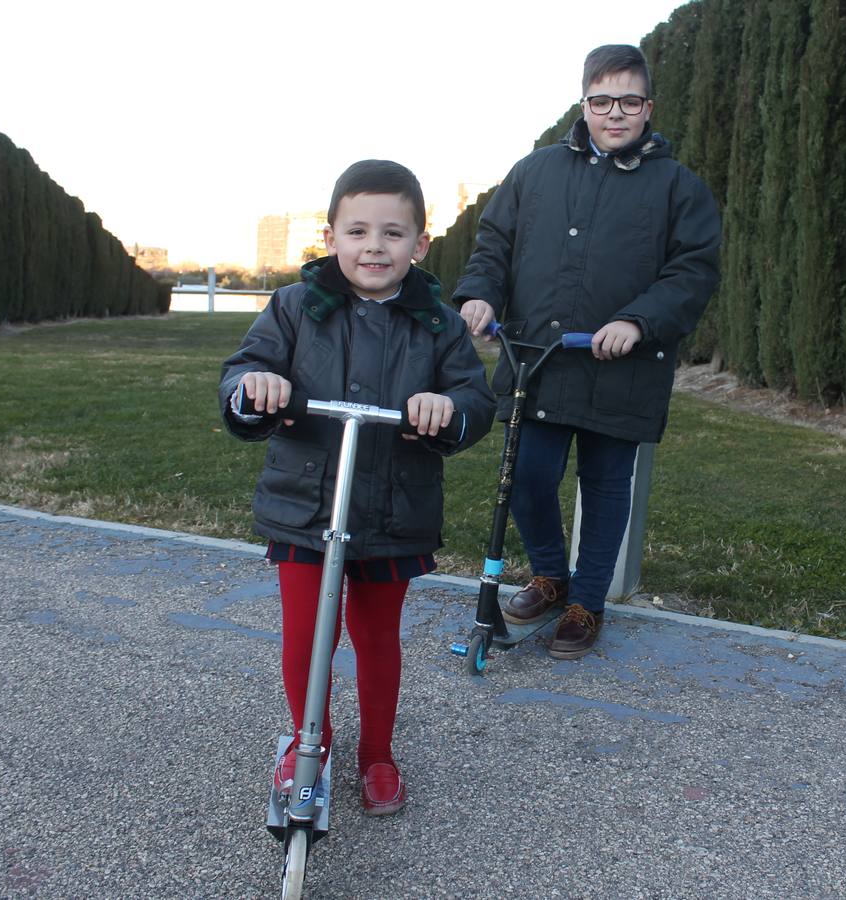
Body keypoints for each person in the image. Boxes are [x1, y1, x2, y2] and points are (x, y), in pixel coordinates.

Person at [220, 159, 496, 816]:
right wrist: (257, 391)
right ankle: (308, 742)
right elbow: (243, 372)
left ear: (420, 244)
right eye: (359, 231)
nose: (375, 247)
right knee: (309, 632)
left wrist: (447, 410)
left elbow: (474, 400)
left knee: (376, 637)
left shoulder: (439, 322)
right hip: (306, 504)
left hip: (392, 507)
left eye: (393, 234)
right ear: (332, 236)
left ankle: (378, 753)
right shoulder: (294, 306)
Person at [454, 44, 721, 659]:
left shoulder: (678, 186)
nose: (615, 113)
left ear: (648, 107)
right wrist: (479, 295)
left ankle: (587, 601)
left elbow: (693, 270)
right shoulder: (536, 170)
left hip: (620, 366)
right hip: (538, 360)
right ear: (584, 104)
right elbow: (494, 243)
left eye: (629, 101)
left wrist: (638, 320)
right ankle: (551, 575)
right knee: (527, 474)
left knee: (605, 484)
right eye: (602, 101)